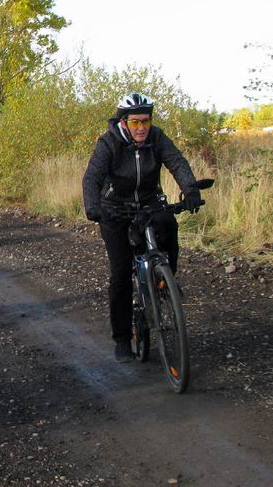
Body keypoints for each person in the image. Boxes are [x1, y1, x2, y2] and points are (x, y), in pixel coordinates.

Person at [82, 93, 202, 362]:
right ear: (123, 121)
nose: (141, 127)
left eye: (145, 121)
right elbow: (92, 177)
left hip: (149, 204)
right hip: (114, 210)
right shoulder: (109, 142)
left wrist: (190, 188)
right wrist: (93, 206)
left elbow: (177, 162)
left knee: (169, 227)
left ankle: (164, 281)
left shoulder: (157, 137)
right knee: (121, 274)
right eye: (135, 121)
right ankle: (123, 339)